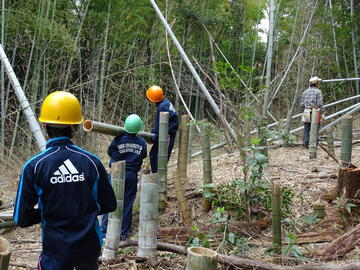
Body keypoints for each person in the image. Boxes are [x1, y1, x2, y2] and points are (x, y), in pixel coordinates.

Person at [13, 91, 117, 270]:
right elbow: (109, 204)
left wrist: (47, 212)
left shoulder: (34, 166)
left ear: (45, 125)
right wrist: (82, 208)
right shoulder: (92, 162)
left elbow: (21, 218)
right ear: (75, 127)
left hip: (56, 250)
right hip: (89, 248)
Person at [101, 114, 147, 240]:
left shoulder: (118, 139)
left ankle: (104, 231)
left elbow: (110, 152)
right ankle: (123, 233)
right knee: (127, 204)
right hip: (131, 175)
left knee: (109, 200)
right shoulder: (142, 142)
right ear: (138, 128)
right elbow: (143, 155)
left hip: (116, 173)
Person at [146, 85, 179, 173]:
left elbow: (160, 125)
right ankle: (156, 176)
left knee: (160, 157)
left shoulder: (162, 107)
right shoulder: (166, 102)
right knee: (153, 155)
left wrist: (154, 137)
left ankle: (158, 178)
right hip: (167, 132)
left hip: (167, 134)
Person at [300, 76, 324, 148]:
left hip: (306, 111)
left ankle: (305, 143)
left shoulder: (305, 92)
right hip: (315, 112)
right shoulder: (318, 92)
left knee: (306, 128)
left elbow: (302, 104)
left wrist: (304, 111)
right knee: (315, 128)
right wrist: (322, 113)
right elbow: (320, 104)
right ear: (316, 83)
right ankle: (314, 144)